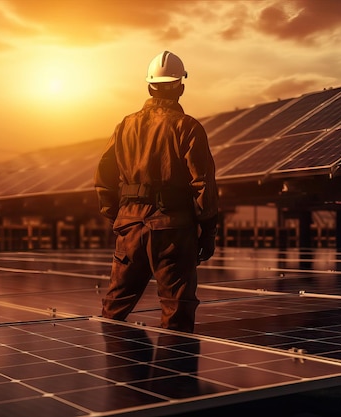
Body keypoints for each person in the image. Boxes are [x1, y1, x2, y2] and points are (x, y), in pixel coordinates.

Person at [94, 50, 218, 333]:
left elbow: (103, 179)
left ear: (149, 86)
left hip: (129, 227)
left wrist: (120, 219)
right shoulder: (187, 127)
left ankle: (120, 374)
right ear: (181, 88)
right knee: (177, 310)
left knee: (114, 307)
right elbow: (203, 185)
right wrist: (207, 233)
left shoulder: (124, 126)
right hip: (172, 231)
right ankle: (173, 375)